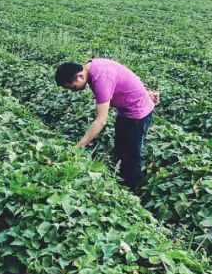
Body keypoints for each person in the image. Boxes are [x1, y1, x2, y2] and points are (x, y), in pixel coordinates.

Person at [55, 59, 159, 190]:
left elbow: (101, 120)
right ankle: (120, 180)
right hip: (125, 110)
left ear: (80, 76)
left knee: (131, 153)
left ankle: (130, 191)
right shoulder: (91, 66)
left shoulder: (100, 78)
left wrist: (79, 146)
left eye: (73, 87)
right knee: (121, 147)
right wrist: (143, 92)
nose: (73, 91)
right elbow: (123, 74)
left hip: (138, 113)